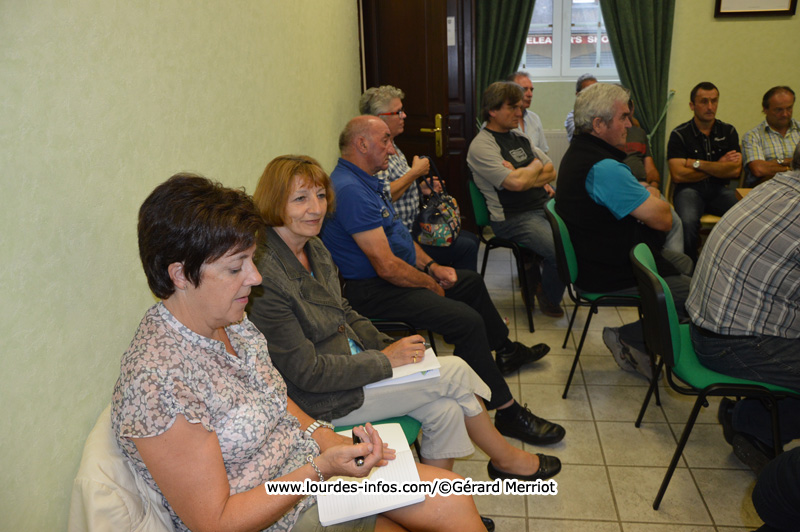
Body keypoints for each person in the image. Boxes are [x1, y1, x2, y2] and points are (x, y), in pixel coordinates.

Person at [112, 174, 485, 532]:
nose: (255, 278)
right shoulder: (158, 383)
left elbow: (274, 398)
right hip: (274, 517)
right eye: (235, 267)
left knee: (453, 497)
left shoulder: (230, 321)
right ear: (179, 275)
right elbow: (216, 522)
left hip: (307, 474)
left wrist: (328, 439)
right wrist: (320, 470)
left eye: (252, 260)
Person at [248, 154, 561, 486]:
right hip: (323, 399)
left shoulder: (315, 248)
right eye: (300, 199)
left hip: (356, 365)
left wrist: (390, 348)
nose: (316, 208)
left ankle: (434, 501)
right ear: (275, 201)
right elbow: (307, 373)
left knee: (446, 410)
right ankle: (506, 458)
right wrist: (386, 360)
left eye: (321, 195)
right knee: (455, 371)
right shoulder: (265, 275)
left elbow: (344, 312)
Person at [320, 116, 566, 448]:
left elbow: (399, 240)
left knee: (470, 283)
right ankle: (506, 411)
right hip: (372, 291)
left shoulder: (367, 181)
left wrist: (433, 266)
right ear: (362, 144)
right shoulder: (350, 190)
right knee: (466, 322)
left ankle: (505, 351)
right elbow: (386, 266)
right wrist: (427, 283)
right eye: (385, 141)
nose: (392, 150)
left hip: (389, 279)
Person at [554, 83, 692, 379]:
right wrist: (651, 194)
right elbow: (663, 220)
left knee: (684, 263)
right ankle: (630, 337)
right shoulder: (604, 168)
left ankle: (641, 336)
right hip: (606, 270)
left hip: (596, 257)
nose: (630, 125)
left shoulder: (580, 153)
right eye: (623, 117)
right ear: (598, 124)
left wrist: (646, 195)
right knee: (698, 297)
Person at [686, 142, 800, 474]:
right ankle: (757, 428)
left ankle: (753, 421)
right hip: (733, 344)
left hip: (712, 328)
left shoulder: (774, 187)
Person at [467, 81, 565, 317]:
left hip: (544, 206)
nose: (519, 113)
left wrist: (522, 174)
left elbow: (551, 171)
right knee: (562, 251)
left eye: (520, 107)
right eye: (512, 107)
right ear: (492, 110)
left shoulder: (519, 136)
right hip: (513, 218)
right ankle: (547, 295)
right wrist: (534, 166)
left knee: (580, 236)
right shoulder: (481, 146)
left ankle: (534, 268)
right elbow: (516, 183)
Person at [359, 85, 480, 271]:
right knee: (467, 247)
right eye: (398, 112)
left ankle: (449, 282)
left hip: (413, 227)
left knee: (470, 238)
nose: (404, 116)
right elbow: (384, 196)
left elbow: (396, 184)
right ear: (380, 117)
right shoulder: (375, 151)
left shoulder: (392, 144)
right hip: (400, 237)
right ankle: (454, 285)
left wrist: (420, 187)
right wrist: (415, 173)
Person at [667, 81, 742, 262]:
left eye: (714, 101)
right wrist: (719, 166)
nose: (710, 107)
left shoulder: (728, 131)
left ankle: (728, 263)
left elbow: (735, 171)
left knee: (746, 216)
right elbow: (678, 175)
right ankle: (690, 268)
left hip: (719, 190)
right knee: (687, 223)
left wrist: (696, 164)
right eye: (704, 101)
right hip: (688, 191)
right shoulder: (679, 134)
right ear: (692, 105)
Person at [620, 100, 684, 254]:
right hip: (626, 189)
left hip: (646, 188)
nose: (627, 119)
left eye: (629, 110)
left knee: (675, 221)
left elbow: (650, 168)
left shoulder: (639, 133)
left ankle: (674, 262)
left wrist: (653, 186)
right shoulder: (612, 136)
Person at [742, 85, 800, 187]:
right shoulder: (753, 136)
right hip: (767, 189)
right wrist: (792, 165)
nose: (785, 114)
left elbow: (765, 168)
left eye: (789, 108)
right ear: (765, 109)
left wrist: (776, 164)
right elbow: (759, 170)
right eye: (779, 110)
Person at [507, 71, 549, 153]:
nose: (530, 94)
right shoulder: (501, 120)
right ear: (510, 92)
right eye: (524, 89)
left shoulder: (534, 118)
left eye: (531, 90)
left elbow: (544, 151)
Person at [565, 73, 598, 142]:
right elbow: (580, 138)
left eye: (596, 90)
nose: (593, 95)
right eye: (587, 91)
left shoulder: (606, 114)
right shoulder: (572, 118)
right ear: (578, 95)